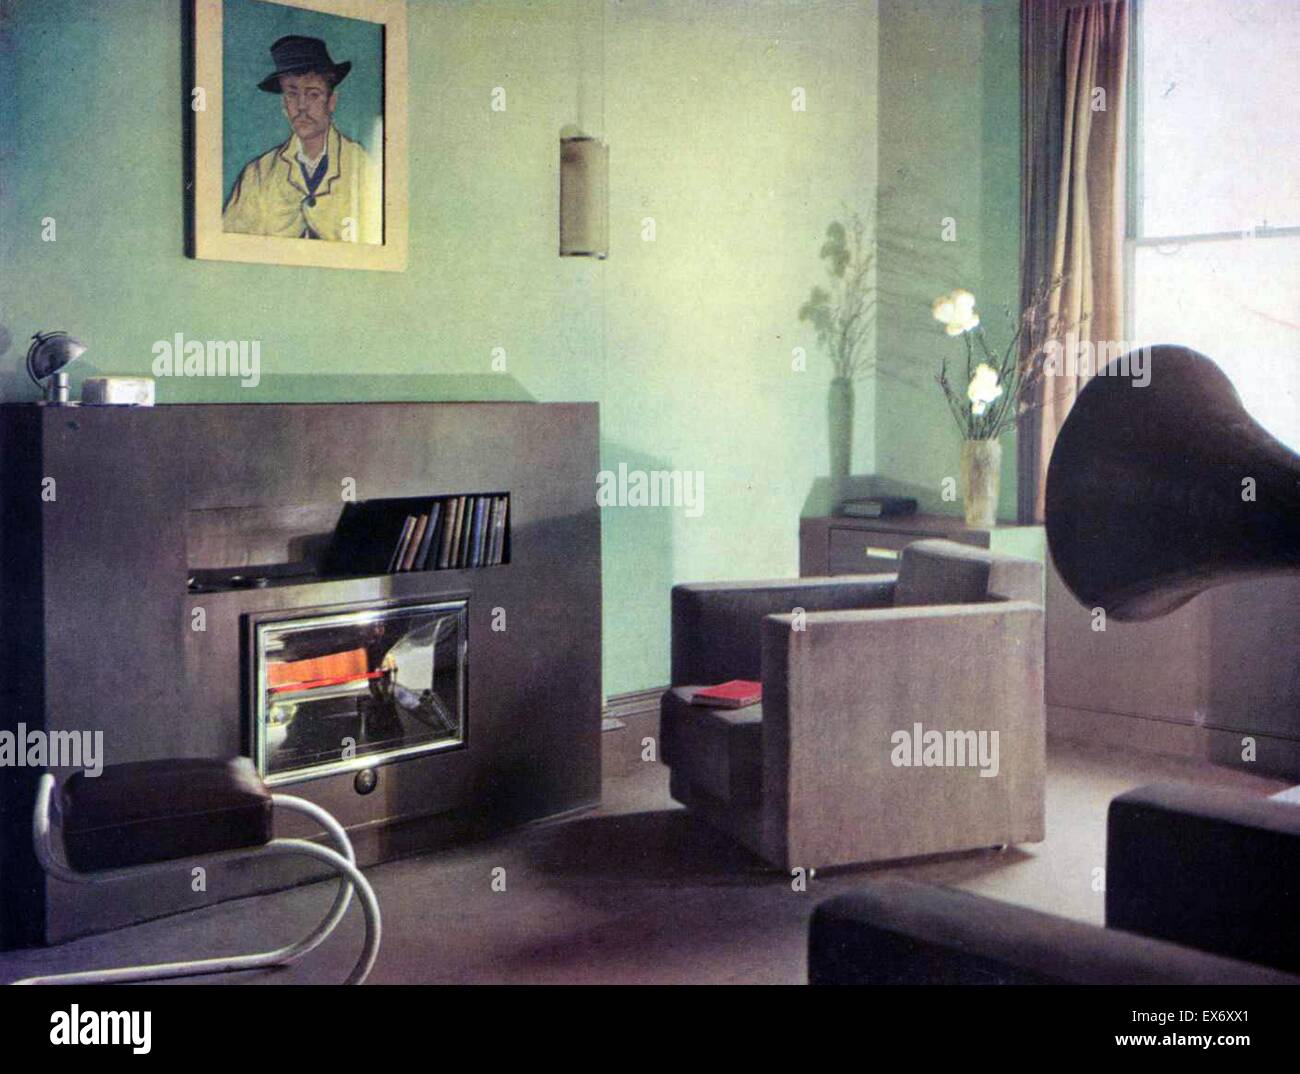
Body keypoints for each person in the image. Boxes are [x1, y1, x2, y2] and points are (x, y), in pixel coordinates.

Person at [223, 35, 380, 243]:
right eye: (292, 94)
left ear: (331, 101)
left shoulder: (362, 166)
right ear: (284, 104)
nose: (302, 106)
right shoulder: (259, 174)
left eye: (313, 94)